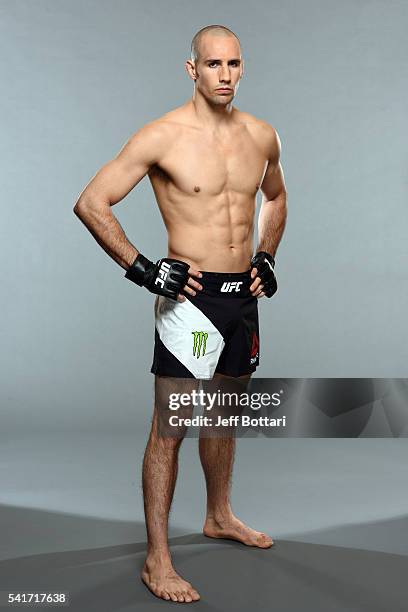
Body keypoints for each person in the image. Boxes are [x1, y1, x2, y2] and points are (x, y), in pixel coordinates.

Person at [74, 24, 287, 604]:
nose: (224, 74)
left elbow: (276, 196)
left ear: (242, 68)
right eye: (212, 64)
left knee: (225, 410)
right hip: (190, 302)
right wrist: (144, 268)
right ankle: (158, 559)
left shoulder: (262, 135)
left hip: (243, 298)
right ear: (191, 69)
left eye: (233, 64)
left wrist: (266, 254)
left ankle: (218, 515)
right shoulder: (162, 136)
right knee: (172, 425)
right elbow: (91, 202)